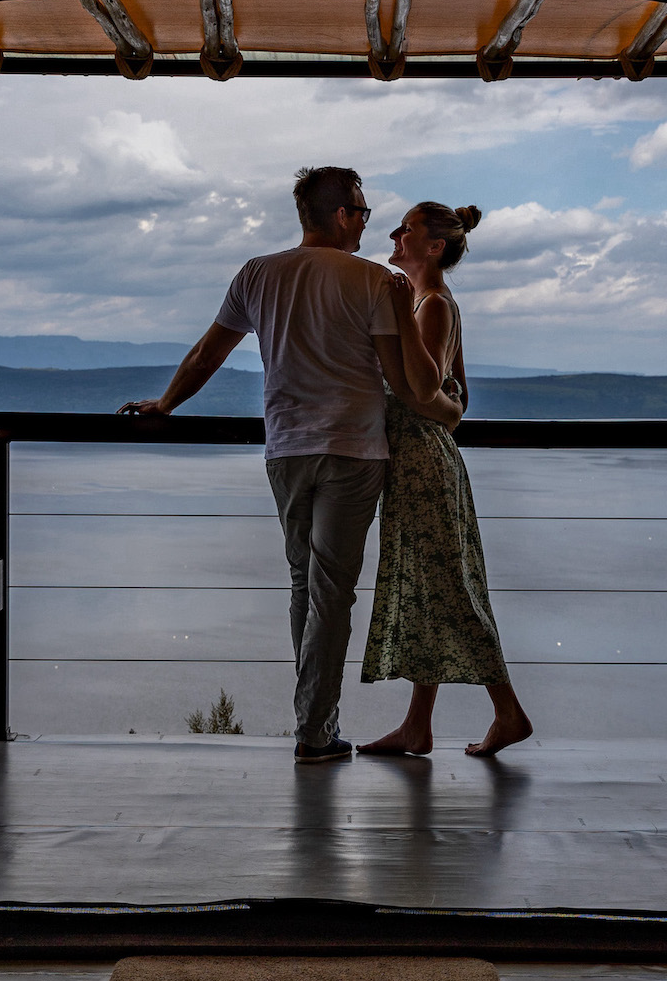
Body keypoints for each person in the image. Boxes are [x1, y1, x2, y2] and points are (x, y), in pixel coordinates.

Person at [119, 167, 454, 763]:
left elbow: (206, 353)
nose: (367, 224)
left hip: (287, 448)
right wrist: (447, 405)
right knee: (331, 592)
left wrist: (165, 404)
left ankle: (314, 723)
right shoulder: (377, 281)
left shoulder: (257, 273)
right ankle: (314, 732)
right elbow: (404, 381)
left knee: (304, 584)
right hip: (354, 449)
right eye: (365, 213)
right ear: (345, 215)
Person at [358, 202, 534, 758]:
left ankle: (509, 713)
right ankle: (418, 726)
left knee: (450, 590)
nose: (393, 233)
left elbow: (427, 390)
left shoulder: (430, 305)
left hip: (422, 464)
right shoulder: (425, 301)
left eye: (404, 229)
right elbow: (458, 394)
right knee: (431, 590)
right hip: (419, 460)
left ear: (433, 246)